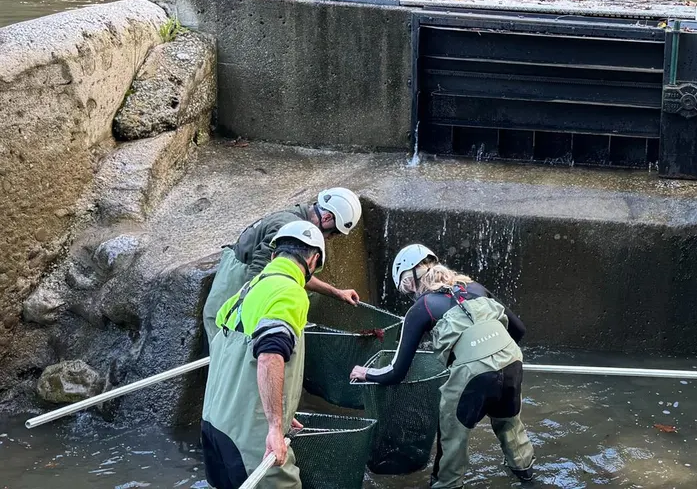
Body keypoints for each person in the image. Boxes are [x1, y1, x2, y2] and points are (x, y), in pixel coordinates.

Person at [350, 259, 534, 488]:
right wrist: (493, 355)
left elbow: (396, 372)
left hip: (472, 374)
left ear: (409, 283)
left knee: (453, 440)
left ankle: (446, 483)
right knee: (510, 425)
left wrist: (367, 373)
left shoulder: (421, 308)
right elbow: (519, 329)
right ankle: (528, 478)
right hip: (512, 361)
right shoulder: (475, 287)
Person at [201, 221, 326, 489]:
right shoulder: (291, 292)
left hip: (214, 424)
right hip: (249, 436)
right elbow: (270, 355)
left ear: (273, 255)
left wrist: (281, 406)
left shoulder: (245, 291)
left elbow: (233, 358)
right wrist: (273, 424)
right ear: (314, 260)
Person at [202, 187, 363, 343]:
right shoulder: (288, 229)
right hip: (235, 286)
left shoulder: (299, 220)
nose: (330, 238)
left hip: (246, 281)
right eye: (334, 233)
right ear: (327, 218)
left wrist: (337, 293)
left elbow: (291, 272)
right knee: (231, 350)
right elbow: (258, 275)